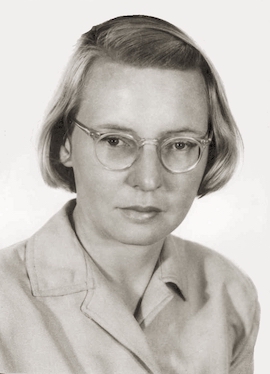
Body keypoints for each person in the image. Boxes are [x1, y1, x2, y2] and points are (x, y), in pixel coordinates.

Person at [0, 15, 260, 374]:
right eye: (115, 141)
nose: (149, 179)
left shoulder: (229, 292)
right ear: (64, 144)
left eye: (180, 144)